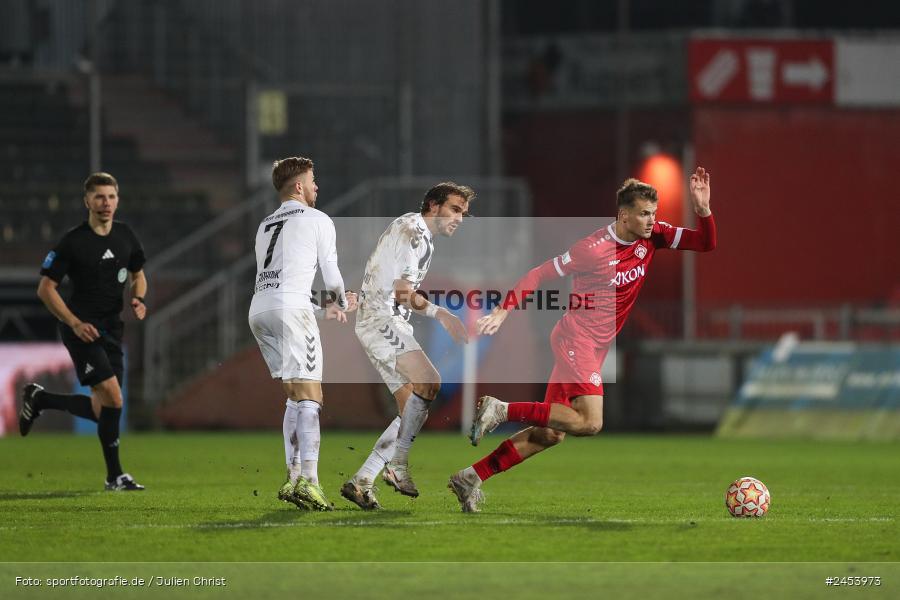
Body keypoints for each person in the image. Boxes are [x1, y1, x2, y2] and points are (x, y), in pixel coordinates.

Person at [449, 167, 717, 512]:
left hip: (595, 343)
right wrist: (503, 310)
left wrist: (703, 209)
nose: (652, 220)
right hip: (577, 338)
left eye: (654, 213)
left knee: (550, 433)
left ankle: (470, 477)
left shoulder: (654, 236)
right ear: (624, 215)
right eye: (645, 214)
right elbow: (538, 273)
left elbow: (706, 243)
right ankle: (502, 409)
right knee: (590, 422)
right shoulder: (592, 249)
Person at [340, 183, 473, 509]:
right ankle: (396, 468)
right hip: (383, 321)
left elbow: (384, 272)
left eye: (464, 213)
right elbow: (402, 293)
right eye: (455, 209)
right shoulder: (414, 231)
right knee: (430, 381)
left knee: (412, 409)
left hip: (381, 320)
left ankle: (362, 481)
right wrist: (442, 314)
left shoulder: (412, 230)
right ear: (433, 205)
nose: (459, 218)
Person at [19, 172, 148, 491]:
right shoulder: (73, 241)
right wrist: (74, 322)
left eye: (111, 197)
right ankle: (114, 476)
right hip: (82, 331)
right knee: (115, 400)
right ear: (87, 201)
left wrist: (138, 297)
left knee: (100, 409)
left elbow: (138, 274)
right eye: (99, 197)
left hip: (111, 330)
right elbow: (45, 289)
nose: (106, 203)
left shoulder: (125, 235)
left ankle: (40, 399)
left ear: (118, 200)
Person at [248, 156, 356, 512]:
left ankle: (293, 478)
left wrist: (322, 310)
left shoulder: (265, 224)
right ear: (298, 186)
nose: (316, 187)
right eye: (312, 180)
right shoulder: (317, 219)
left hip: (260, 311)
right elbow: (331, 272)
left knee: (294, 394)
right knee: (311, 393)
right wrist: (343, 299)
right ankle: (309, 480)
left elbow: (280, 280)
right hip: (291, 310)